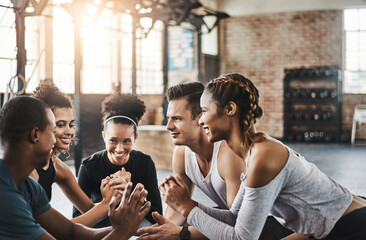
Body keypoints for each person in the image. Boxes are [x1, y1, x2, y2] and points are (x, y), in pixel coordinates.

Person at [158, 73, 366, 240]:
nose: (201, 120)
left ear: (230, 109)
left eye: (204, 111)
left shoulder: (263, 154)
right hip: (327, 229)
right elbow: (233, 217)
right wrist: (186, 205)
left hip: (351, 225)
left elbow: (242, 237)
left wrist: (187, 210)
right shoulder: (251, 154)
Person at [137, 82, 292, 240]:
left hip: (277, 222)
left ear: (201, 119)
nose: (168, 126)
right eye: (169, 118)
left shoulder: (228, 153)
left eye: (176, 119)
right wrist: (160, 232)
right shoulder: (181, 154)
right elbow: (178, 209)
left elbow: (238, 225)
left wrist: (179, 233)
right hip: (234, 217)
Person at [0, 96, 150, 239]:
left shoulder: (30, 187)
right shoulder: (6, 198)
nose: (68, 133)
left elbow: (71, 232)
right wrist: (122, 231)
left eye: (71, 124)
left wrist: (122, 226)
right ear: (35, 134)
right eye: (55, 128)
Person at [31, 81, 117, 227]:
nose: (69, 131)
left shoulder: (57, 167)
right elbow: (50, 229)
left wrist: (118, 198)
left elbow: (89, 210)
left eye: (71, 124)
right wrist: (106, 203)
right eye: (60, 124)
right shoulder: (28, 171)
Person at [74, 92, 162, 228]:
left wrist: (131, 192)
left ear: (135, 138)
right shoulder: (89, 166)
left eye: (127, 141)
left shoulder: (145, 162)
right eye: (113, 140)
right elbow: (77, 219)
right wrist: (109, 200)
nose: (120, 149)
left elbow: (157, 215)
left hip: (134, 224)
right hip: (101, 225)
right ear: (104, 136)